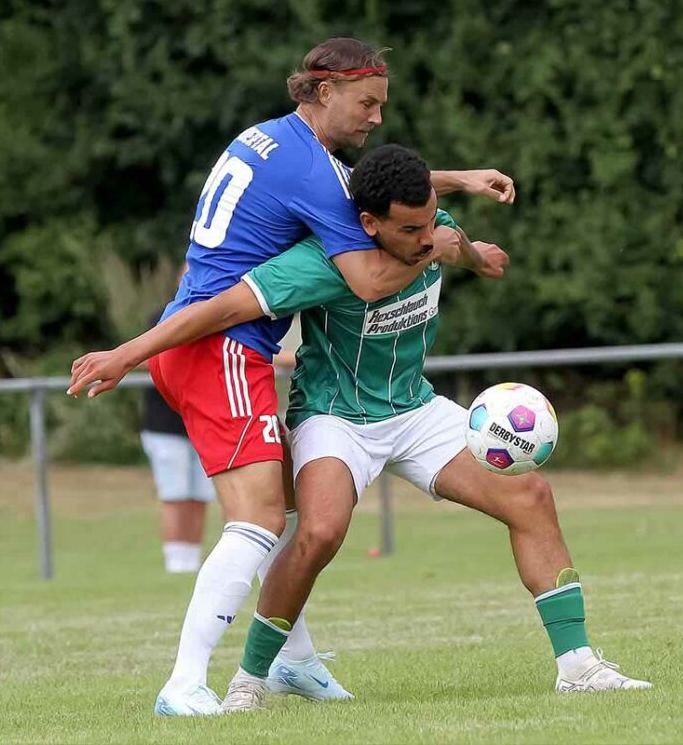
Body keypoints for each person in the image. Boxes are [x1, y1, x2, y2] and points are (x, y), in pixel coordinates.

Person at [70, 145, 652, 711]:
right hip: (335, 417)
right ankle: (252, 682)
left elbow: (453, 241)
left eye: (430, 222)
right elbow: (221, 309)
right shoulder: (319, 261)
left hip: (415, 410)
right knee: (320, 532)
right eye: (410, 230)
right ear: (368, 223)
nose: (425, 237)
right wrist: (129, 353)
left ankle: (578, 668)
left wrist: (478, 258)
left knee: (531, 495)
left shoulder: (432, 226)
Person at [68, 37, 515, 717]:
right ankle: (184, 683)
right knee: (256, 520)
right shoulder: (316, 173)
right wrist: (445, 247)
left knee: (283, 506)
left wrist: (458, 179)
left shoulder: (273, 141)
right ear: (323, 90)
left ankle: (293, 659)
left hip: (194, 340)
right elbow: (367, 278)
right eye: (367, 103)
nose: (377, 118)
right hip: (220, 346)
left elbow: (370, 189)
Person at [139, 301, 216, 574]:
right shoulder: (162, 314)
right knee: (176, 495)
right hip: (166, 426)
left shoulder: (216, 311)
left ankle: (191, 561)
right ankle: (176, 563)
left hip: (201, 422)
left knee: (200, 495)